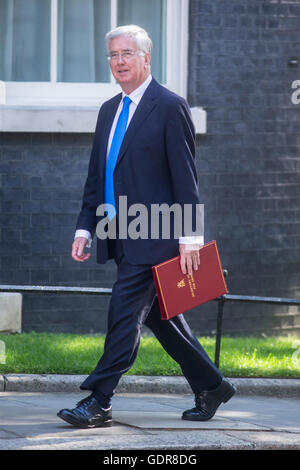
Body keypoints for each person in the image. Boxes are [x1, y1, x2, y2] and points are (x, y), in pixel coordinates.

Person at [57, 25, 236, 429]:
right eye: (112, 56)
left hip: (157, 235)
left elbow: (185, 178)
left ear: (146, 58)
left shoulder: (169, 106)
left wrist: (190, 238)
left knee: (123, 313)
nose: (118, 62)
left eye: (126, 54)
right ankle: (212, 385)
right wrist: (86, 228)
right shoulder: (109, 110)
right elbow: (96, 176)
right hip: (119, 232)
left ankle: (99, 400)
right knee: (160, 317)